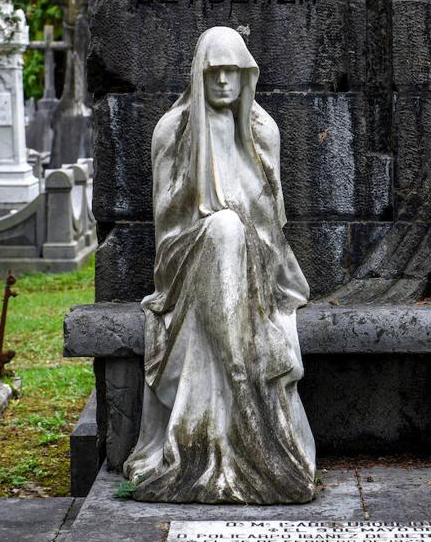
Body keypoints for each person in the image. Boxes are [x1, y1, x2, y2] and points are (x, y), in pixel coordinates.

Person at [122, 26, 316, 504]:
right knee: (221, 228)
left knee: (231, 229)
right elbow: (164, 217)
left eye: (233, 70)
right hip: (186, 254)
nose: (225, 81)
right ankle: (242, 374)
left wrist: (238, 214)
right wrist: (203, 192)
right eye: (215, 71)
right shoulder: (174, 131)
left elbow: (274, 219)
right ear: (199, 74)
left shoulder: (260, 131)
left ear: (246, 73)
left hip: (255, 258)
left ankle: (239, 381)